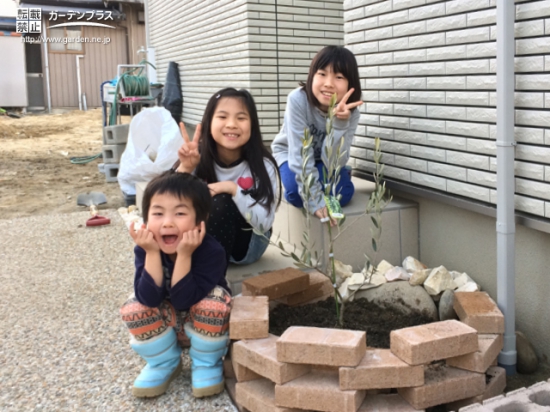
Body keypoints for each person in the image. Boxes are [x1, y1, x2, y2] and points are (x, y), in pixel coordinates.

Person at [120, 170, 231, 398]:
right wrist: (151, 252)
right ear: (146, 218)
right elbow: (148, 298)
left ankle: (206, 364)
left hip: (202, 325)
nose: (167, 222)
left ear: (201, 221)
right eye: (158, 213)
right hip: (165, 328)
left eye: (180, 213)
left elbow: (183, 300)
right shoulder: (146, 247)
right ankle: (163, 363)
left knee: (215, 302)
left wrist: (184, 255)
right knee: (134, 306)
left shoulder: (212, 252)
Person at [175, 88, 281, 265]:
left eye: (241, 118)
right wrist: (185, 167)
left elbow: (265, 224)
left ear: (252, 125)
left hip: (245, 246)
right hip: (201, 240)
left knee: (222, 201)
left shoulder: (263, 165)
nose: (231, 124)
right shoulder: (197, 157)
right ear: (209, 122)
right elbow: (166, 201)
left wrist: (233, 190)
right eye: (223, 117)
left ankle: (215, 283)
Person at [271, 45, 363, 225]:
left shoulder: (351, 113)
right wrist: (315, 200)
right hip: (291, 155)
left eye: (339, 77)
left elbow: (333, 162)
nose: (329, 83)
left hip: (323, 160)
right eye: (322, 74)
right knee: (295, 194)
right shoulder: (298, 100)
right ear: (312, 75)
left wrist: (340, 123)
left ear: (350, 84)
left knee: (345, 193)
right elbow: (299, 155)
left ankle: (336, 176)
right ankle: (283, 173)